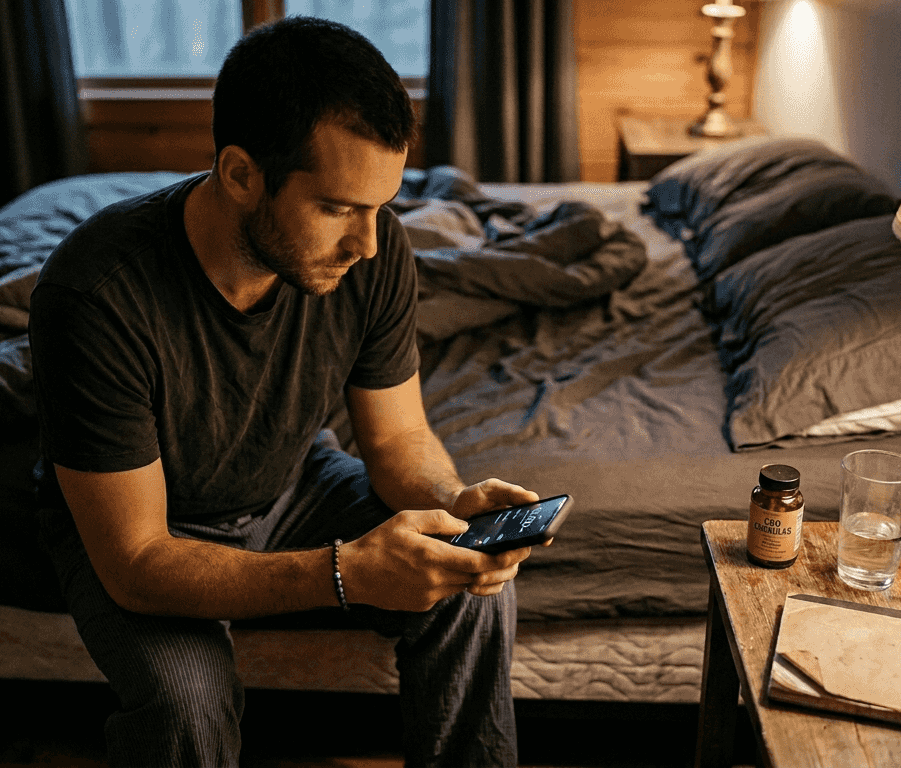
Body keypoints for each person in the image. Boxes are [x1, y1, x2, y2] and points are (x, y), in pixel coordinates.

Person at [28, 15, 538, 768]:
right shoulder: (96, 294)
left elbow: (397, 438)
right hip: (156, 528)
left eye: (380, 206)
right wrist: (346, 571)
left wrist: (453, 502)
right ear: (241, 175)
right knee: (186, 704)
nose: (366, 242)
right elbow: (136, 561)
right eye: (336, 208)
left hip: (292, 481)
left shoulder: (376, 250)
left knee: (469, 583)